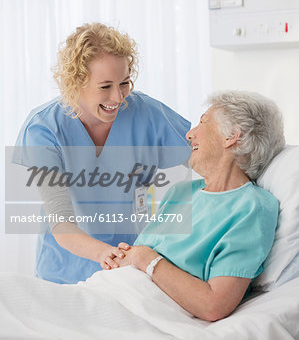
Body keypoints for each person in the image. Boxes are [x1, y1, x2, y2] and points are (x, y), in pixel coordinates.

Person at [13, 22, 191, 284]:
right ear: (76, 82)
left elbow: (206, 156)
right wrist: (107, 255)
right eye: (105, 86)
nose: (118, 97)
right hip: (65, 273)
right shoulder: (44, 129)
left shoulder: (147, 114)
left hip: (132, 267)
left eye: (124, 83)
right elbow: (62, 224)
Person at [103, 90, 285, 321]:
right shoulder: (182, 191)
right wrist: (123, 258)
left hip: (141, 315)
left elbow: (213, 305)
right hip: (110, 294)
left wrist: (144, 258)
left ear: (232, 136)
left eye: (203, 122)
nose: (189, 135)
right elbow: (137, 257)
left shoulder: (253, 208)